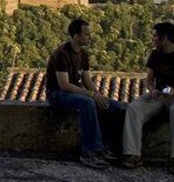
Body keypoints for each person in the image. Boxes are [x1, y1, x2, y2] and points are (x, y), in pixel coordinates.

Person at [45, 19, 124, 169]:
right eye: (86, 34)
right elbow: (64, 85)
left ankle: (107, 147)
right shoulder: (61, 54)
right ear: (76, 36)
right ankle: (90, 151)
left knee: (115, 107)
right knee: (87, 103)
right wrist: (91, 96)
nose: (90, 37)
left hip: (75, 92)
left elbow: (87, 80)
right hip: (57, 94)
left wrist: (99, 96)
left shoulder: (83, 54)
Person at [122, 22, 174, 176]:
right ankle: (132, 155)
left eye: (155, 36)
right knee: (133, 108)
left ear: (164, 38)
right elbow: (149, 80)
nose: (153, 39)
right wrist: (153, 89)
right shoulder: (155, 55)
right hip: (160, 95)